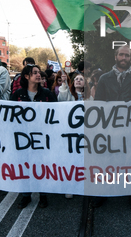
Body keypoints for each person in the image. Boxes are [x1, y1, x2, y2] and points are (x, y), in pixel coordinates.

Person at [94, 46, 131, 208]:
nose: (124, 57)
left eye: (127, 55)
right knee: (107, 161)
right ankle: (103, 192)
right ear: (116, 56)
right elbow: (98, 104)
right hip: (109, 128)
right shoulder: (104, 78)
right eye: (121, 54)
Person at [11, 64, 57, 209]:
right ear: (26, 76)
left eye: (39, 73)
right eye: (34, 73)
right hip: (22, 138)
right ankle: (26, 195)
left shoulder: (48, 94)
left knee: (42, 166)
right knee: (24, 166)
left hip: (42, 138)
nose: (38, 75)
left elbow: (56, 114)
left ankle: (43, 195)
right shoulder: (17, 95)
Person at [58, 72, 88, 199]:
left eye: (81, 79)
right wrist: (64, 83)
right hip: (70, 133)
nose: (78, 81)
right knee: (70, 160)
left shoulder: (89, 97)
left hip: (85, 132)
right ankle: (70, 186)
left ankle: (83, 184)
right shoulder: (68, 95)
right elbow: (61, 98)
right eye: (76, 79)